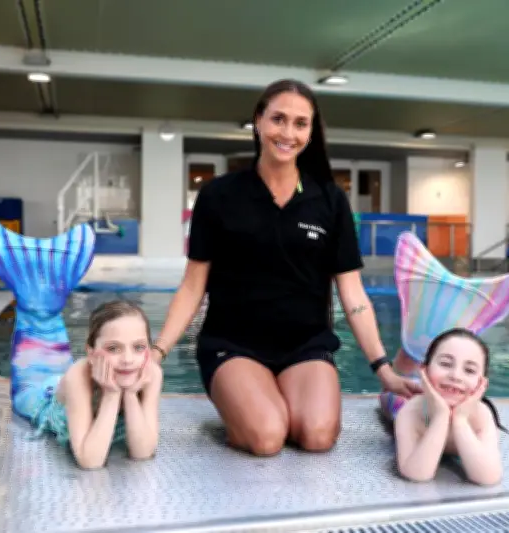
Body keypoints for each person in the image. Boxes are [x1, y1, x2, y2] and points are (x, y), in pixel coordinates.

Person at [151, 78, 420, 457]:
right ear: (258, 121)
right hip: (234, 345)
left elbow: (353, 293)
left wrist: (383, 368)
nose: (287, 133)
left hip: (304, 347)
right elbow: (193, 287)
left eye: (300, 123)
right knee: (266, 438)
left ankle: (268, 400)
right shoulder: (220, 195)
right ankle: (246, 405)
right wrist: (157, 353)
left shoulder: (329, 201)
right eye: (278, 119)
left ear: (310, 132)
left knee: (317, 436)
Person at [0, 215, 163, 470]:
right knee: (36, 309)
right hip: (41, 396)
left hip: (63, 380)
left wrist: (129, 393)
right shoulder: (78, 376)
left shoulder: (151, 373)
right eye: (113, 348)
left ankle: (38, 290)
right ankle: (30, 286)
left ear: (149, 350)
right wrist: (111, 394)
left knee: (43, 310)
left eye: (138, 347)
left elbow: (142, 452)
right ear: (91, 353)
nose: (128, 359)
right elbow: (90, 461)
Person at [380, 328, 507, 486]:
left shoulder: (481, 415)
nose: (455, 376)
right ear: (424, 371)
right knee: (389, 399)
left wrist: (460, 420)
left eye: (469, 370)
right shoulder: (410, 412)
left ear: (482, 384)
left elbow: (488, 478)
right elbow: (417, 474)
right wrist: (440, 416)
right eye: (446, 364)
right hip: (409, 402)